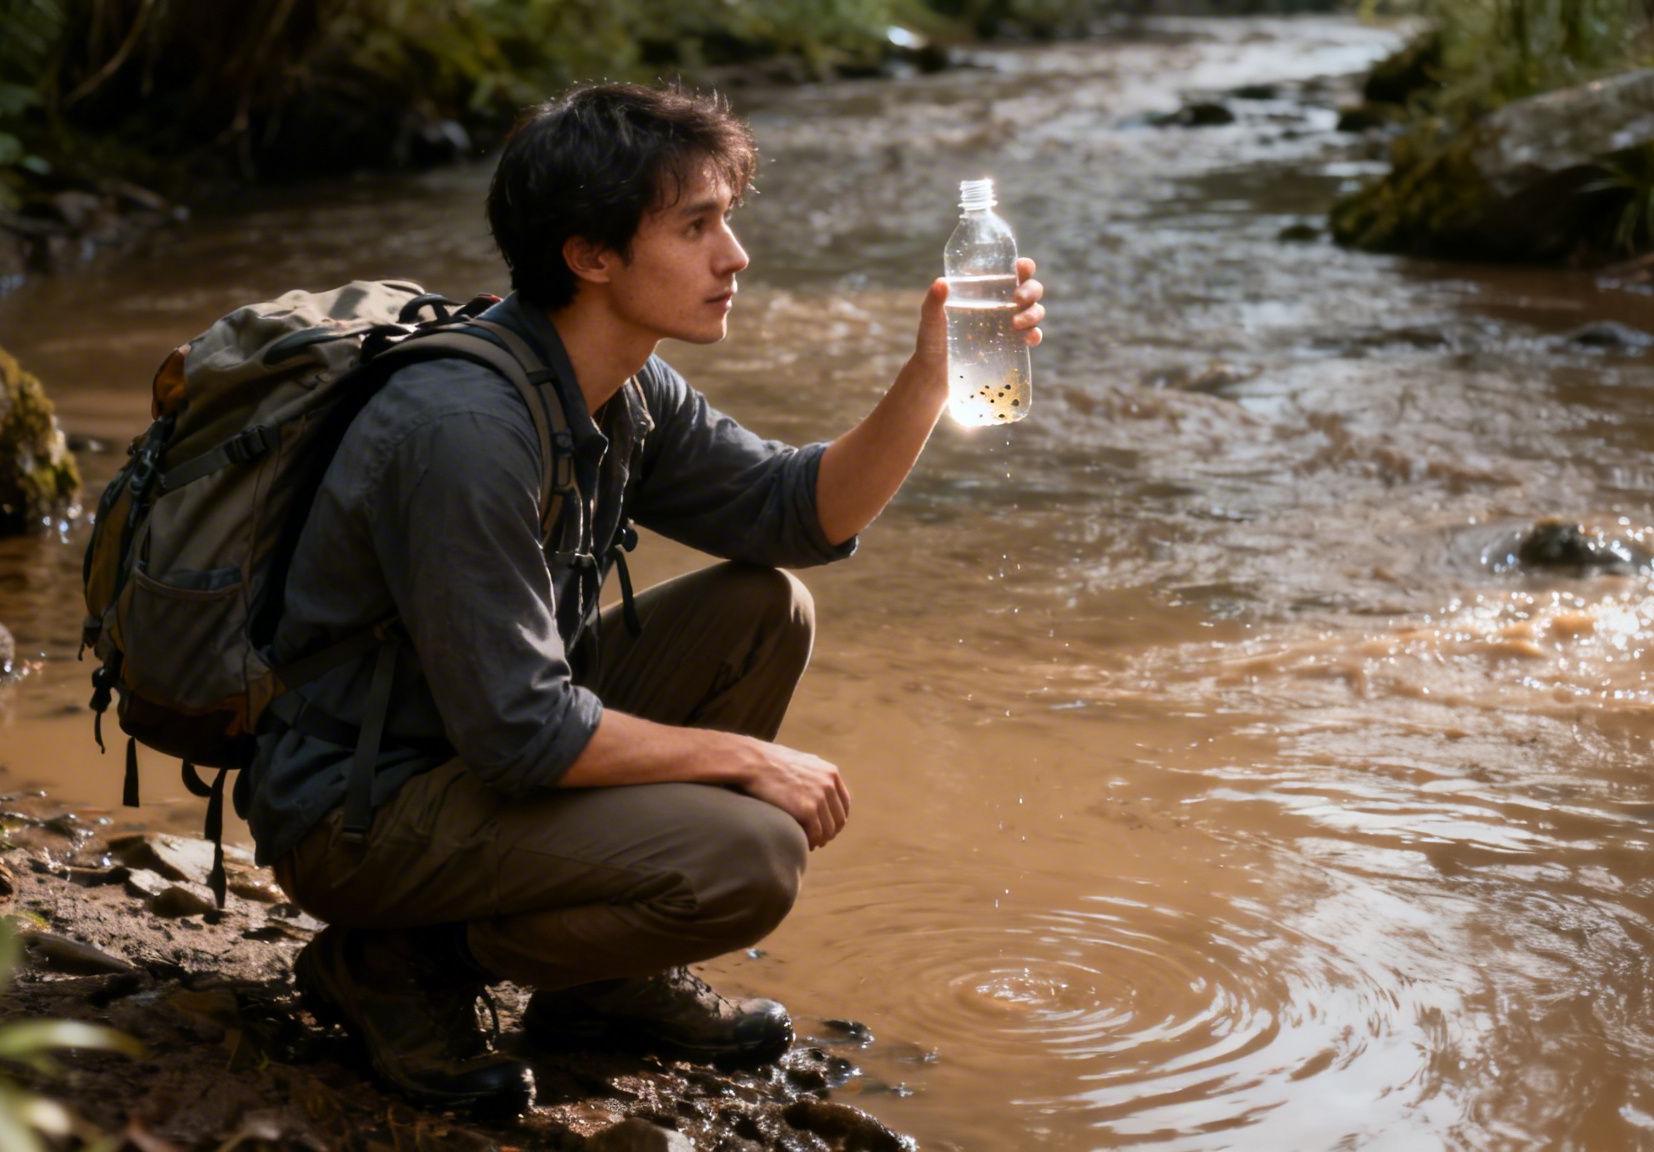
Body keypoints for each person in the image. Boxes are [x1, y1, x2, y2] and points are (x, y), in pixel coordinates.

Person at [237, 81, 1047, 1117]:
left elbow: (794, 511)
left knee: (764, 609)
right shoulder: (462, 428)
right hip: (361, 810)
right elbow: (523, 732)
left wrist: (929, 378)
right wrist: (751, 760)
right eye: (696, 226)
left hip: (461, 749)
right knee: (749, 857)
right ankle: (395, 965)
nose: (735, 256)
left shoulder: (615, 382)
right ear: (589, 254)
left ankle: (595, 986)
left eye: (727, 220)